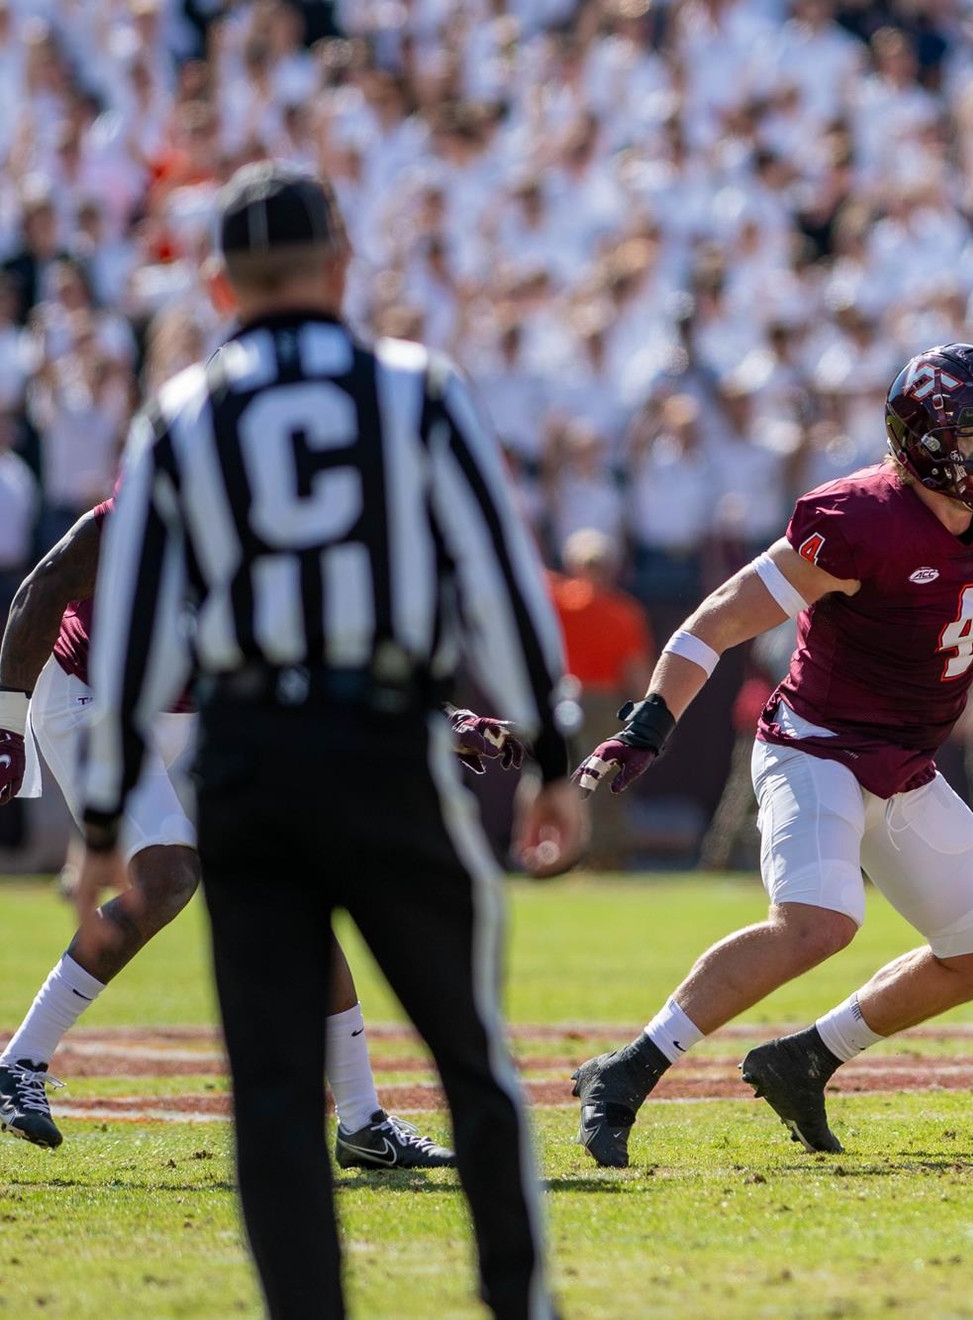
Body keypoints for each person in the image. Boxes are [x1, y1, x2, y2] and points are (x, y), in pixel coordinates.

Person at [71, 162, 581, 1320]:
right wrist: (552, 757)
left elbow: (137, 627)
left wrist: (101, 820)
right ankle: (519, 1303)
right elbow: (501, 581)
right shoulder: (415, 387)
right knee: (470, 1062)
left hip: (248, 755)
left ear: (216, 283)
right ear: (343, 269)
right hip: (383, 742)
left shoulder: (182, 414)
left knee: (271, 1091)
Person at [566, 343, 973, 1166]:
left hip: (906, 764)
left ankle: (807, 1057)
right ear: (930, 447)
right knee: (820, 922)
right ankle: (626, 1071)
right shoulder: (858, 520)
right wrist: (650, 721)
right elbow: (715, 623)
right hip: (816, 747)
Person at [0, 503, 452, 1168]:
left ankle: (362, 1122)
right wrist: (6, 722)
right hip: (92, 695)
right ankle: (19, 1064)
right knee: (168, 877)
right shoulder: (159, 503)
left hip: (199, 714)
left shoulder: (302, 536)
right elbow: (44, 585)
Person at [548, 529, 654, 869]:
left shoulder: (559, 600)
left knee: (566, 777)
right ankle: (603, 857)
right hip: (605, 703)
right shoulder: (624, 611)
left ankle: (565, 854)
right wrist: (651, 717)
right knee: (604, 779)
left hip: (567, 699)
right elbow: (636, 673)